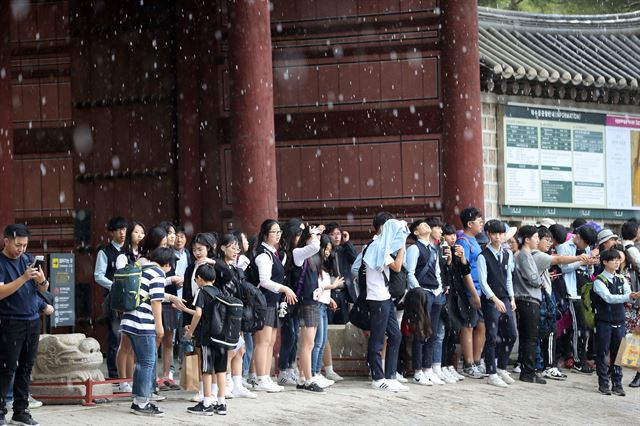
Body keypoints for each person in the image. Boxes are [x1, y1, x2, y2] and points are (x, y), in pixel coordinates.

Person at [352, 212, 408, 392]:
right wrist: (402, 246)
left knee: (395, 335)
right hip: (377, 298)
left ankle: (390, 375)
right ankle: (377, 377)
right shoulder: (376, 246)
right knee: (377, 339)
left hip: (386, 297)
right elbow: (397, 267)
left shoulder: (383, 246)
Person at [0, 224, 49, 426]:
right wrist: (23, 278)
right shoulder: (1, 263)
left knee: (26, 368)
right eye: (18, 245)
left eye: (25, 245)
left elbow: (44, 289)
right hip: (9, 321)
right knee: (6, 368)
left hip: (32, 320)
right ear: (6, 241)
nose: (22, 249)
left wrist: (41, 280)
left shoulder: (29, 260)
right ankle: (1, 411)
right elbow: (1, 292)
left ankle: (21, 411)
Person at [121, 247, 173, 417]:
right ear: (167, 264)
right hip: (142, 323)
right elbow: (156, 301)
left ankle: (138, 400)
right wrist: (159, 326)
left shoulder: (142, 269)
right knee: (147, 362)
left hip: (129, 320)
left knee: (141, 362)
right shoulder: (158, 273)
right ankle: (142, 402)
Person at [532, 226, 586, 381]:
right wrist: (579, 258)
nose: (549, 244)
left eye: (550, 240)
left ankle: (541, 365)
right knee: (548, 332)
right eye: (545, 240)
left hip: (546, 297)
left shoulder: (537, 255)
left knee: (546, 332)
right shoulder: (538, 255)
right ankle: (546, 366)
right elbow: (559, 260)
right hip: (541, 299)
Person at [252, 220, 297, 392]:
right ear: (265, 234)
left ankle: (265, 376)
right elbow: (264, 281)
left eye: (279, 232)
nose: (277, 235)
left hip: (272, 301)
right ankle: (260, 377)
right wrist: (284, 288)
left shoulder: (275, 253)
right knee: (263, 341)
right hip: (263, 302)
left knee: (270, 341)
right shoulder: (264, 255)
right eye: (274, 232)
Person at [591, 249, 640, 396]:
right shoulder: (599, 281)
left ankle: (617, 384)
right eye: (614, 260)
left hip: (620, 321)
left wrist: (631, 295)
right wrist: (630, 296)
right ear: (605, 262)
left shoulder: (621, 278)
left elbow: (627, 294)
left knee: (618, 354)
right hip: (604, 322)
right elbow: (609, 298)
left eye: (618, 260)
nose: (617, 262)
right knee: (602, 352)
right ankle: (603, 383)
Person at [406, 218, 447, 386]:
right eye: (422, 225)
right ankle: (417, 371)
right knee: (421, 333)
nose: (427, 226)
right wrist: (419, 291)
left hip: (435, 293)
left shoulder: (434, 248)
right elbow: (410, 272)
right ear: (416, 232)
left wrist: (438, 288)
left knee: (432, 333)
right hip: (422, 293)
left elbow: (437, 271)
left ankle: (427, 369)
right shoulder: (414, 248)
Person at [477, 219, 517, 388]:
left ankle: (501, 367)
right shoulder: (483, 256)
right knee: (492, 336)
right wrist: (494, 299)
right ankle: (491, 372)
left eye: (501, 234)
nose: (498, 237)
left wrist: (512, 297)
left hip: (506, 299)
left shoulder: (507, 254)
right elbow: (483, 282)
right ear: (489, 235)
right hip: (490, 300)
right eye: (495, 233)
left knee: (511, 334)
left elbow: (508, 278)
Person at [184, 264, 228, 415]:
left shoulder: (201, 292)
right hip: (222, 338)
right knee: (221, 370)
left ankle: (207, 403)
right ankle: (221, 403)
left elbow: (198, 314)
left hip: (207, 337)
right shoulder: (219, 292)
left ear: (199, 279)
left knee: (207, 370)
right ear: (214, 279)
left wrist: (190, 332)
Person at [556, 225, 598, 374]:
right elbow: (563, 268)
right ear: (578, 237)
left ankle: (580, 357)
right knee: (577, 327)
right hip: (571, 292)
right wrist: (581, 261)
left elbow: (588, 271)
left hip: (584, 292)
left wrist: (590, 264)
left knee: (585, 327)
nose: (586, 247)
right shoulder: (564, 247)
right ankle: (576, 360)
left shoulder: (585, 249)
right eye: (585, 243)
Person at [292, 226, 326, 392]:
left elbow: (316, 279)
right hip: (306, 303)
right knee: (308, 343)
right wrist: (313, 234)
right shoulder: (298, 253)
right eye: (313, 236)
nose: (317, 239)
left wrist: (319, 289)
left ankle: (302, 377)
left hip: (312, 302)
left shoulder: (312, 257)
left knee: (308, 343)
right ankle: (308, 380)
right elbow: (315, 246)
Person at [94, 216, 128, 379]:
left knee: (128, 337)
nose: (122, 233)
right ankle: (115, 374)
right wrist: (115, 285)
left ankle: (127, 374)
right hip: (113, 301)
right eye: (118, 230)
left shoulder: (128, 251)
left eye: (124, 229)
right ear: (111, 232)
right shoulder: (105, 251)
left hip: (130, 300)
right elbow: (98, 276)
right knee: (115, 337)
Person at [512, 225, 546, 384]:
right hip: (528, 299)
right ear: (526, 239)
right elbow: (532, 277)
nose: (538, 241)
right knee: (531, 337)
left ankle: (527, 370)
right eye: (536, 238)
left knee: (527, 337)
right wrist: (542, 283)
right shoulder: (524, 255)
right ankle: (528, 371)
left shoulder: (520, 254)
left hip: (524, 299)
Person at [455, 207, 484, 379]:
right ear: (469, 224)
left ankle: (477, 361)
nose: (481, 224)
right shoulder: (463, 242)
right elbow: (465, 269)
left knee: (481, 324)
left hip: (481, 289)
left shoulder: (475, 240)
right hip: (469, 290)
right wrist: (472, 293)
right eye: (478, 221)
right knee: (468, 325)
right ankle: (468, 364)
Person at [312, 235, 343, 385]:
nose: (327, 252)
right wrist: (332, 287)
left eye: (330, 250)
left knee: (322, 342)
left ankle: (317, 372)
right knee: (317, 342)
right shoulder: (313, 264)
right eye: (326, 249)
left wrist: (330, 298)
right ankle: (313, 373)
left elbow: (322, 288)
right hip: (316, 306)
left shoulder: (324, 265)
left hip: (323, 305)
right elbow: (315, 288)